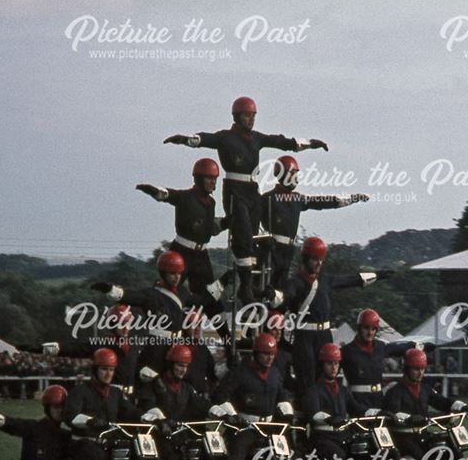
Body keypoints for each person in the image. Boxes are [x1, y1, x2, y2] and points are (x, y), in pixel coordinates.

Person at [163, 96, 329, 304]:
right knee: (241, 234)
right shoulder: (226, 137)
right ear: (237, 116)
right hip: (235, 189)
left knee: (252, 239)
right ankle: (246, 286)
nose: (250, 120)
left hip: (252, 190)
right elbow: (206, 139)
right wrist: (186, 139)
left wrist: (311, 144)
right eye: (246, 115)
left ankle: (251, 283)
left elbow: (281, 142)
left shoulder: (257, 138)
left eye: (253, 116)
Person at [267, 236, 393, 401]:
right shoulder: (296, 282)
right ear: (305, 259)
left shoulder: (325, 280)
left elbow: (351, 280)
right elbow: (286, 295)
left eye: (321, 260)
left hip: (324, 335)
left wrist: (377, 275)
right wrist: (274, 295)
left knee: (326, 377)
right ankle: (307, 413)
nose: (318, 264)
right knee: (306, 378)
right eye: (314, 259)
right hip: (305, 337)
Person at [91, 250, 229, 379]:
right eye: (172, 273)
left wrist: (222, 282)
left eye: (179, 274)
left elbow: (201, 301)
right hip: (156, 347)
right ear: (163, 273)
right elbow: (131, 296)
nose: (176, 277)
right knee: (151, 380)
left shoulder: (182, 293)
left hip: (177, 346)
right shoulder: (152, 295)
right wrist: (110, 289)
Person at [62, 348, 151, 460]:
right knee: (97, 457)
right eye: (104, 369)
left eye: (111, 370)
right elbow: (70, 415)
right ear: (95, 370)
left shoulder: (116, 393)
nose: (108, 374)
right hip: (83, 441)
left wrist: (148, 416)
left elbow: (130, 411)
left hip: (108, 440)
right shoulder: (80, 391)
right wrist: (90, 421)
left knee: (136, 453)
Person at [261, 155, 369, 287]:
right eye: (293, 174)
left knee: (281, 286)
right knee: (268, 283)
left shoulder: (297, 199)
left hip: (288, 249)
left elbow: (323, 202)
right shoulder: (267, 198)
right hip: (272, 248)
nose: (296, 178)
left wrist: (352, 198)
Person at [136, 158, 223, 299]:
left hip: (201, 255)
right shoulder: (186, 197)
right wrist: (155, 191)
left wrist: (226, 222)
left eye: (215, 179)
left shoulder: (211, 203)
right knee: (167, 292)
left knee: (210, 296)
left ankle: (215, 319)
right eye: (209, 178)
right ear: (199, 179)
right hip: (182, 252)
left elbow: (209, 229)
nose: (213, 182)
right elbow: (169, 195)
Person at [209, 333, 294, 460]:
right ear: (256, 353)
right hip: (246, 427)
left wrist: (287, 409)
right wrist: (232, 415)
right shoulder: (240, 372)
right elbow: (220, 395)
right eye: (266, 354)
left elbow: (281, 393)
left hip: (270, 428)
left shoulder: (275, 373)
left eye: (272, 354)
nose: (270, 358)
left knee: (288, 458)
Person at [383, 348, 468, 460]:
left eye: (423, 369)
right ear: (406, 369)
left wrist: (462, 406)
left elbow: (442, 402)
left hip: (423, 435)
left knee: (451, 450)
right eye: (416, 369)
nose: (420, 373)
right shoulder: (395, 391)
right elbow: (393, 413)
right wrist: (410, 418)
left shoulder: (425, 389)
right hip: (403, 438)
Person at [135, 345, 213, 460]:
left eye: (186, 366)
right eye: (180, 365)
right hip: (158, 436)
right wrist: (160, 421)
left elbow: (199, 402)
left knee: (202, 454)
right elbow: (147, 403)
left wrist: (217, 411)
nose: (183, 370)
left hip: (179, 435)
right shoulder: (155, 384)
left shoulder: (186, 387)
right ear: (171, 364)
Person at [340, 308, 423, 414]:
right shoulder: (347, 351)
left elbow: (400, 347)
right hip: (358, 400)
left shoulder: (380, 347)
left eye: (373, 329)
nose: (370, 332)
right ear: (359, 328)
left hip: (378, 399)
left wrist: (419, 345)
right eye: (366, 328)